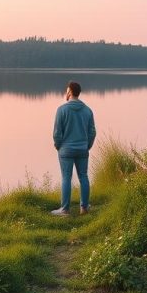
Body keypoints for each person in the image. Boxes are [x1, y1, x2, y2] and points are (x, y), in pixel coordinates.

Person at [51, 81, 96, 216]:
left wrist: (58, 145)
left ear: (70, 91)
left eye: (66, 90)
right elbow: (92, 132)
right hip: (82, 149)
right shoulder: (88, 110)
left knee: (66, 178)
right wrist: (87, 146)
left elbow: (57, 133)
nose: (66, 92)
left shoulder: (62, 110)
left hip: (66, 150)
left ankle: (65, 209)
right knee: (83, 177)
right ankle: (84, 208)